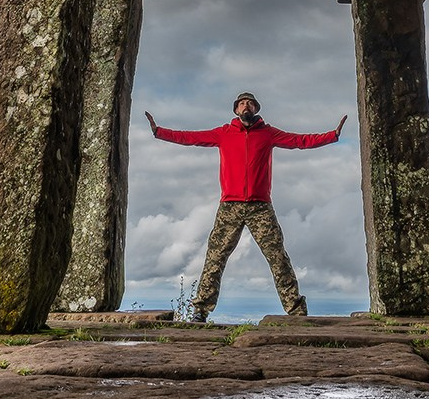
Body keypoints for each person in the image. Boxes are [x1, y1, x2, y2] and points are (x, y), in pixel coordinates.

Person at [144, 93, 347, 322]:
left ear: (256, 108)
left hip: (260, 207)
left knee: (278, 257)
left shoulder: (268, 133)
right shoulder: (223, 133)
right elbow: (190, 137)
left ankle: (296, 311)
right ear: (236, 110)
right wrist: (159, 132)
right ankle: (200, 310)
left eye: (250, 103)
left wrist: (333, 135)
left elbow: (299, 141)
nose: (246, 106)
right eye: (242, 103)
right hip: (230, 206)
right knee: (215, 257)